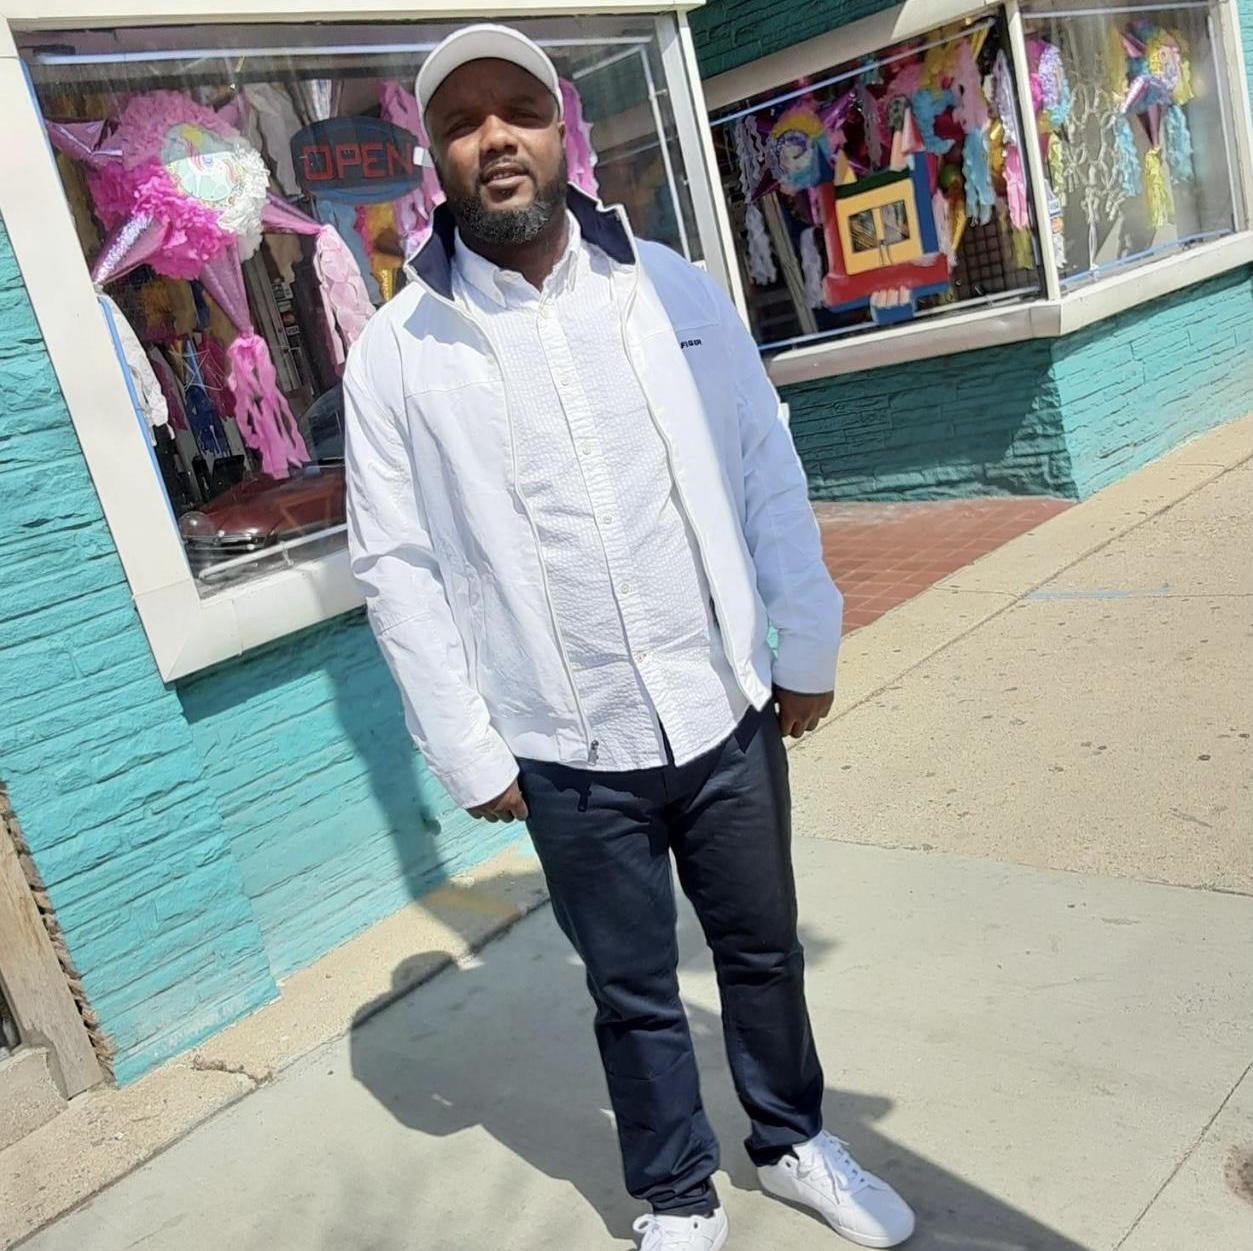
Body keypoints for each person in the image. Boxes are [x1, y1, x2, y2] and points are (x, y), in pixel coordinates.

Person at [343, 24, 915, 1251]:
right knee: (632, 991)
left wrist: (802, 642)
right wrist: (465, 746)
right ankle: (675, 1194)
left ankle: (792, 1143)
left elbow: (762, 465)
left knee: (759, 954)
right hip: (566, 746)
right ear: (435, 160)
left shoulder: (670, 288)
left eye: (517, 112)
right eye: (461, 124)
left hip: (720, 707)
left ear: (565, 133)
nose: (495, 139)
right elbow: (394, 567)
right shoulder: (396, 351)